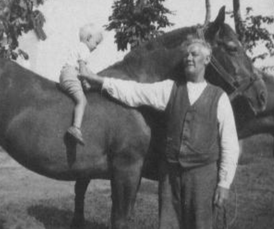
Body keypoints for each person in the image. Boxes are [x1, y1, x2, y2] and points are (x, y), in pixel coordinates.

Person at [79, 38, 240, 229]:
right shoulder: (170, 88)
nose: (188, 58)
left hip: (202, 177)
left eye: (194, 54)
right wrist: (100, 81)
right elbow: (134, 91)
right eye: (186, 54)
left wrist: (224, 183)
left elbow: (230, 144)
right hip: (170, 177)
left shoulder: (219, 97)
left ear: (207, 59)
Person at [60, 23, 103, 145]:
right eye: (96, 43)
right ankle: (76, 127)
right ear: (88, 38)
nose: (96, 47)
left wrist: (84, 83)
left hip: (66, 74)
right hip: (70, 75)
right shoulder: (84, 50)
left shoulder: (77, 47)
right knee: (82, 101)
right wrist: (93, 80)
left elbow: (80, 71)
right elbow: (83, 72)